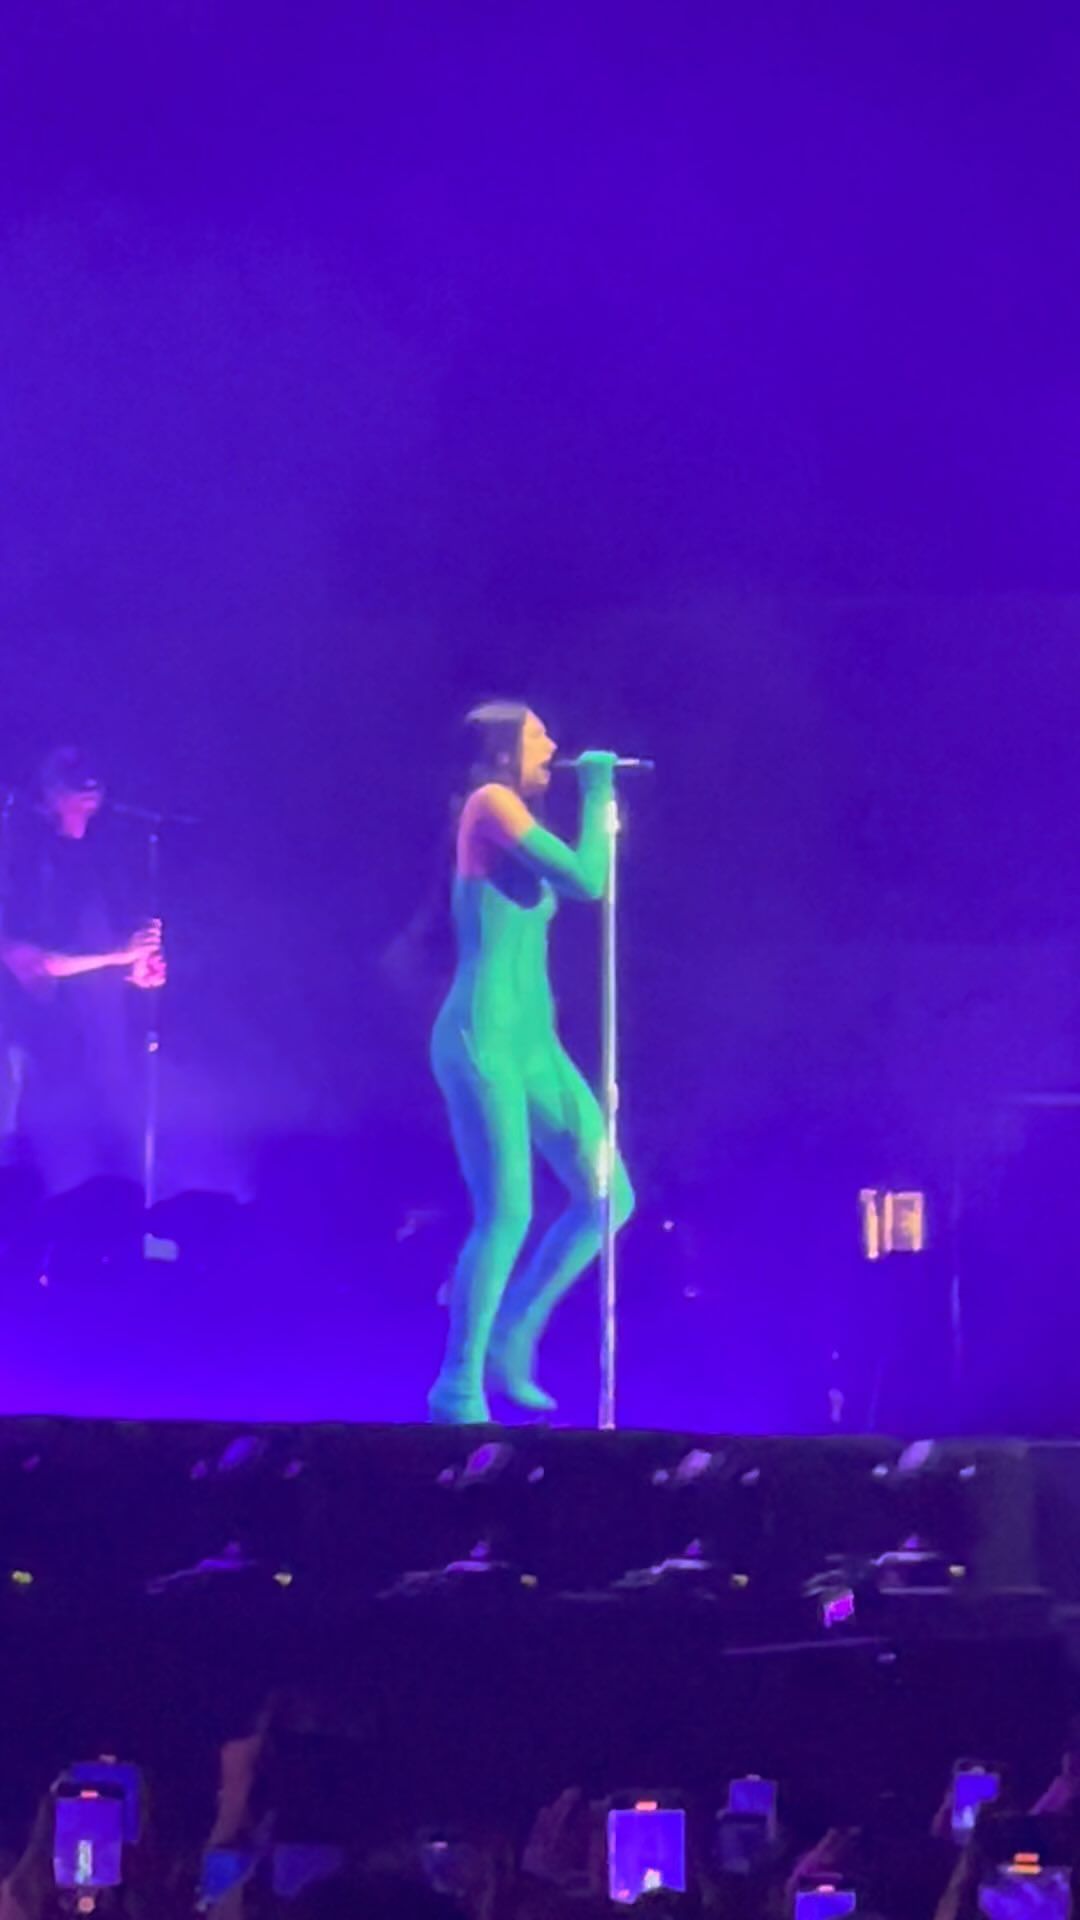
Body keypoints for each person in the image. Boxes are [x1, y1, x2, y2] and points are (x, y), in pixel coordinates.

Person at [428, 702, 634, 1424]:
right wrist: (599, 792)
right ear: (503, 749)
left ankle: (512, 1332)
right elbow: (586, 879)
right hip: (479, 1034)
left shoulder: (519, 817)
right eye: (538, 735)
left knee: (607, 1197)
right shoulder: (489, 803)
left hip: (533, 1043)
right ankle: (457, 1386)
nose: (552, 745)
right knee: (507, 1210)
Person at [0, 747, 164, 1193]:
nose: (90, 788)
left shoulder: (99, 862)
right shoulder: (26, 861)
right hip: (42, 1050)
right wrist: (118, 956)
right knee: (38, 1168)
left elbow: (104, 950)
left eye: (94, 780)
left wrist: (138, 969)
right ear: (48, 792)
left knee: (109, 1169)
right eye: (74, 781)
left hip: (104, 1055)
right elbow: (32, 963)